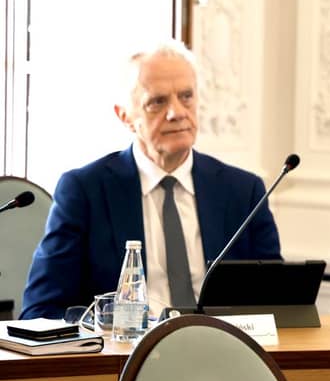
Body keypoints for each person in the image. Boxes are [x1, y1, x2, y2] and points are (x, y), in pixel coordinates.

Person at [21, 39, 281, 319]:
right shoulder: (85, 191)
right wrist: (110, 326)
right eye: (158, 102)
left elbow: (281, 304)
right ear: (125, 116)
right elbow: (40, 311)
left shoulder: (243, 192)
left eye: (186, 96)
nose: (177, 113)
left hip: (222, 343)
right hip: (126, 346)